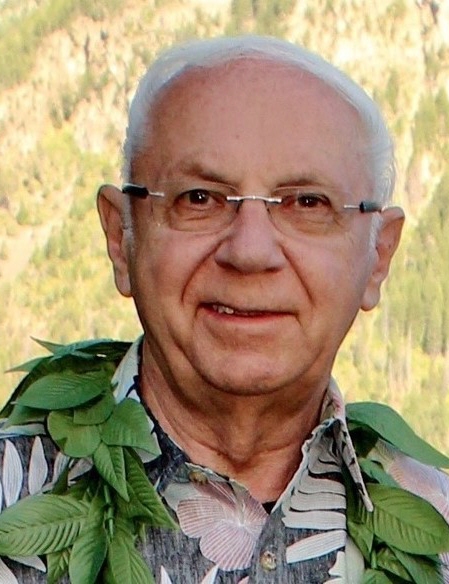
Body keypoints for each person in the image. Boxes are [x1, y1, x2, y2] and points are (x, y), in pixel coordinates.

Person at [0, 35, 448, 584]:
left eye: (306, 203)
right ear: (121, 238)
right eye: (200, 198)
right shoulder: (12, 497)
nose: (250, 251)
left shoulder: (441, 536)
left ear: (378, 256)